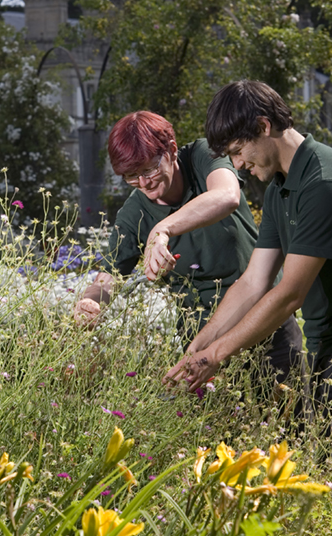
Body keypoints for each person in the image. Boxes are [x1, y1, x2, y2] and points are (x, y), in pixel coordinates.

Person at [163, 80, 332, 446]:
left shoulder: (324, 183)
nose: (238, 165)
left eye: (238, 150)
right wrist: (197, 348)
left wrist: (216, 355)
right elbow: (253, 281)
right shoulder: (282, 187)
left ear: (264, 127)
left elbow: (289, 294)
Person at [74, 110, 302, 388]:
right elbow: (108, 277)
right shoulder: (135, 214)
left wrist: (162, 230)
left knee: (288, 417)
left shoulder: (201, 156)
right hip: (201, 338)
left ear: (171, 150)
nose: (143, 183)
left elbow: (226, 196)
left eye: (148, 170)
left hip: (264, 319)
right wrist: (91, 303)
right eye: (131, 176)